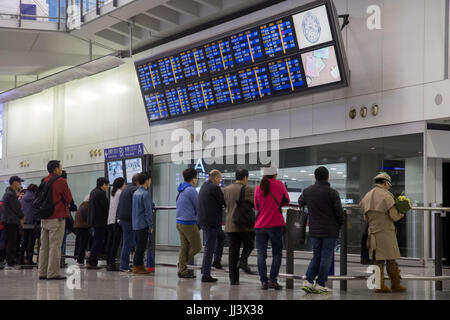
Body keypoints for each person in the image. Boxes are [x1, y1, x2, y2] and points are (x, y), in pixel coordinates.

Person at [298, 166, 344, 294]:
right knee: (326, 256)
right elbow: (339, 213)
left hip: (314, 229)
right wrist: (340, 225)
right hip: (330, 230)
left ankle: (308, 281)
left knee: (316, 256)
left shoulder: (308, 191)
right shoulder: (332, 192)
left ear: (315, 177)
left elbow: (300, 201)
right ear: (327, 177)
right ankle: (320, 284)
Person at [359, 172, 406, 293]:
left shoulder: (367, 196)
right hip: (386, 232)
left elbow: (365, 217)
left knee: (378, 260)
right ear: (385, 183)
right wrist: (402, 212)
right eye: (389, 184)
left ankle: (379, 285)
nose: (389, 186)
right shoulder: (386, 196)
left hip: (373, 232)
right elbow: (394, 216)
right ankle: (396, 284)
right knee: (391, 259)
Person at [254, 167, 290, 290]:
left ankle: (264, 281)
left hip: (260, 225)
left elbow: (256, 205)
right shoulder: (279, 184)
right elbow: (286, 200)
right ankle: (273, 280)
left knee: (261, 254)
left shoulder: (259, 187)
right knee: (277, 254)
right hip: (275, 224)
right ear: (275, 174)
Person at [38, 160, 73, 280]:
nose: (61, 169)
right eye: (60, 167)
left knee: (44, 246)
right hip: (56, 217)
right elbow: (68, 198)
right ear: (55, 169)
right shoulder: (61, 181)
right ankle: (52, 273)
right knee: (55, 246)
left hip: (44, 217)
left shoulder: (44, 180)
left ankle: (42, 272)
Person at [224, 169, 255, 285]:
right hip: (244, 225)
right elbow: (255, 204)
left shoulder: (226, 189)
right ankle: (243, 261)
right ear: (245, 178)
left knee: (233, 252)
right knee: (250, 244)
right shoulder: (247, 189)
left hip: (230, 224)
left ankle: (234, 280)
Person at [197, 169, 226, 283]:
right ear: (215, 178)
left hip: (204, 220)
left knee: (222, 237)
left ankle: (216, 261)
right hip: (211, 222)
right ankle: (206, 273)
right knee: (209, 247)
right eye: (220, 179)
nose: (220, 181)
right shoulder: (215, 187)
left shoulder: (204, 185)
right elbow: (223, 202)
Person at [175, 168, 201, 279]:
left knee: (184, 247)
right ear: (193, 178)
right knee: (197, 247)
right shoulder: (191, 190)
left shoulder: (181, 188)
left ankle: (183, 270)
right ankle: (181, 265)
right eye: (196, 177)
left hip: (179, 222)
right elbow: (198, 206)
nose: (197, 179)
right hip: (188, 222)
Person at [0, 176, 25, 269]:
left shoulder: (9, 193)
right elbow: (16, 208)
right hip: (10, 221)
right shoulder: (11, 194)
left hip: (8, 220)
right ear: (14, 182)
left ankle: (9, 261)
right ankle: (10, 263)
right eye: (19, 182)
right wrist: (22, 216)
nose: (20, 184)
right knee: (11, 242)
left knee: (9, 242)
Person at [117, 173, 140, 272]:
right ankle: (124, 265)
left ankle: (129, 263)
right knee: (127, 242)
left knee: (130, 241)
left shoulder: (126, 188)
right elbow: (140, 201)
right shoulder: (135, 189)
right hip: (129, 219)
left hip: (123, 218)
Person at [131, 172, 153, 275]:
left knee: (138, 246)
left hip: (135, 223)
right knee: (141, 246)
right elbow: (148, 211)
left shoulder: (136, 193)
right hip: (143, 224)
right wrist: (151, 225)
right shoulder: (145, 194)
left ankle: (139, 265)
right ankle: (137, 266)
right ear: (147, 180)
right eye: (150, 180)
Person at [87, 177, 110, 269]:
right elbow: (106, 207)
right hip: (100, 222)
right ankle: (93, 262)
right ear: (103, 184)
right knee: (98, 242)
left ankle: (92, 261)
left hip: (94, 221)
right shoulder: (101, 193)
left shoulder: (93, 192)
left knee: (95, 241)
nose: (108, 187)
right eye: (107, 185)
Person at [105, 177, 126, 271]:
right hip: (116, 221)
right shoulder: (120, 193)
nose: (125, 185)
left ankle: (109, 261)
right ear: (121, 184)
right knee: (115, 243)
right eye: (124, 184)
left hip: (110, 220)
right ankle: (112, 262)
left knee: (110, 242)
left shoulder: (113, 193)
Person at [60, 170, 77, 268]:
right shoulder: (64, 187)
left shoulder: (47, 184)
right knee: (61, 243)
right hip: (63, 219)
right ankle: (59, 262)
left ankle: (57, 262)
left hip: (51, 219)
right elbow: (72, 204)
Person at [19, 184, 39, 266]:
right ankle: (29, 260)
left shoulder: (23, 198)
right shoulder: (35, 199)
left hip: (24, 222)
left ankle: (21, 260)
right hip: (32, 222)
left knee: (24, 241)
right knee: (31, 242)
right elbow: (35, 211)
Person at [74, 194, 90, 266]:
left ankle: (79, 259)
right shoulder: (87, 206)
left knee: (80, 243)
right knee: (83, 244)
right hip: (83, 227)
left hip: (79, 226)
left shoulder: (82, 205)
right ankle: (80, 260)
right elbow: (88, 218)